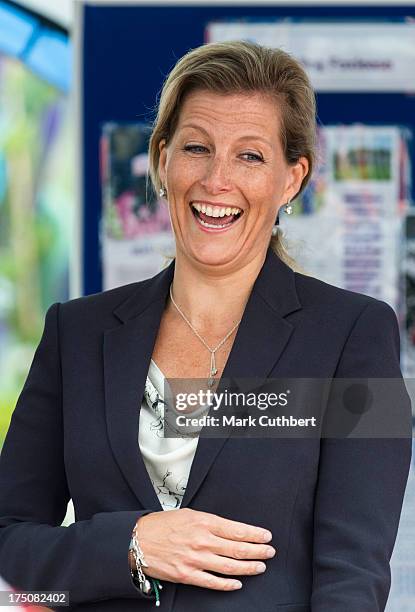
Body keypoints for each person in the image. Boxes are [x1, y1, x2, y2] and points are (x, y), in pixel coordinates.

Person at [0, 41, 411, 612]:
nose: (217, 180)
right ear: (163, 159)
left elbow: (354, 576)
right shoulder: (76, 333)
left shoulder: (355, 335)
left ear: (292, 179)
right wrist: (130, 543)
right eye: (197, 148)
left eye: (250, 156)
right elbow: (11, 544)